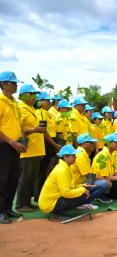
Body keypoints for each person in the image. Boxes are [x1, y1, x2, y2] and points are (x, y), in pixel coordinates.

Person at [0, 71, 27, 224]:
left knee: (13, 179)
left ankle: (8, 208)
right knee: (2, 180)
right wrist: (11, 142)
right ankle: (1, 211)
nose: (16, 85)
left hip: (16, 146)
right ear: (3, 84)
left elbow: (20, 124)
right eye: (13, 83)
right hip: (4, 146)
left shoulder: (14, 103)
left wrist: (22, 141)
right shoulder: (0, 101)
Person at [38, 145, 89, 221]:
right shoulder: (62, 170)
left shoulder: (65, 167)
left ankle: (58, 213)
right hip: (49, 204)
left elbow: (70, 186)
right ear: (65, 157)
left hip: (50, 202)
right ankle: (58, 214)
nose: (75, 157)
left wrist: (81, 186)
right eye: (73, 155)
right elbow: (66, 193)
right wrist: (82, 190)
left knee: (81, 193)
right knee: (82, 195)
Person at [16, 84, 46, 213]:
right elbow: (19, 130)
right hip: (27, 150)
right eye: (30, 93)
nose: (33, 97)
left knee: (32, 179)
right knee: (24, 178)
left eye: (34, 94)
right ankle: (20, 204)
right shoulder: (20, 108)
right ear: (22, 95)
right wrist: (33, 130)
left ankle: (28, 202)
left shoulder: (32, 109)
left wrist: (41, 150)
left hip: (36, 150)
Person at [34, 92, 62, 202]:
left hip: (51, 142)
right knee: (42, 171)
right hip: (47, 143)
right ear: (40, 102)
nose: (49, 102)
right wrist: (54, 144)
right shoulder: (40, 113)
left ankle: (41, 194)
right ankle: (38, 196)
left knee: (47, 169)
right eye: (46, 100)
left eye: (49, 100)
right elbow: (44, 132)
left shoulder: (46, 113)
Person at [70, 133, 108, 210]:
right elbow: (89, 177)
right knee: (104, 183)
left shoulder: (83, 153)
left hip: (78, 184)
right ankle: (83, 203)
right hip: (75, 186)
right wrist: (105, 180)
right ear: (83, 144)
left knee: (102, 182)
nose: (94, 144)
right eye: (91, 143)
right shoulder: (80, 154)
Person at [92, 134, 117, 200]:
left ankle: (108, 194)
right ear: (108, 143)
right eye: (115, 142)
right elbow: (106, 177)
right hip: (100, 181)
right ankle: (101, 195)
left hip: (109, 180)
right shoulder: (102, 156)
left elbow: (116, 171)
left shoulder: (112, 154)